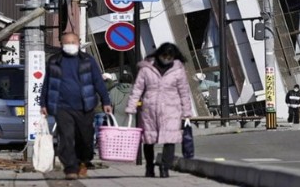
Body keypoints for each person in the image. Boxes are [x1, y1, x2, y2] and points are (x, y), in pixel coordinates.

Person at [40, 32, 112, 180]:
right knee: (66, 137)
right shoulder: (54, 61)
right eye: (67, 42)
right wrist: (43, 103)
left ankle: (83, 162)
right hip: (62, 107)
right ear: (61, 44)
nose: (70, 45)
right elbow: (47, 83)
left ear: (79, 43)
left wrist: (106, 100)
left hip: (85, 106)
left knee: (85, 138)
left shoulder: (88, 60)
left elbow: (98, 81)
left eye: (73, 42)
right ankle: (70, 168)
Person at [125, 43, 192, 178]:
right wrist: (131, 106)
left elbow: (184, 91)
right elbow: (137, 89)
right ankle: (149, 166)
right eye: (164, 55)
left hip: (171, 108)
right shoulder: (146, 69)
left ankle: (164, 167)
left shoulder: (178, 70)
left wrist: (187, 111)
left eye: (170, 56)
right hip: (150, 108)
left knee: (170, 139)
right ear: (159, 54)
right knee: (149, 139)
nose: (166, 59)